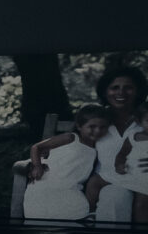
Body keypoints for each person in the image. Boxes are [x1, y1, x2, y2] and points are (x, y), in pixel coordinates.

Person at [28, 66, 145, 221]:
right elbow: (72, 149)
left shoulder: (145, 120)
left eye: (128, 87)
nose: (121, 92)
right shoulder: (97, 120)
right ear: (105, 91)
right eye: (115, 87)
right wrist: (37, 164)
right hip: (106, 181)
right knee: (115, 196)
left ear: (138, 91)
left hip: (141, 178)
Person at [21, 105, 109, 220]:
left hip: (70, 186)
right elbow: (36, 147)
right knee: (43, 209)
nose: (97, 131)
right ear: (79, 126)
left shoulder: (97, 148)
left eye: (102, 127)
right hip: (48, 181)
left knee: (80, 209)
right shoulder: (70, 138)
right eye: (92, 127)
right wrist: (37, 166)